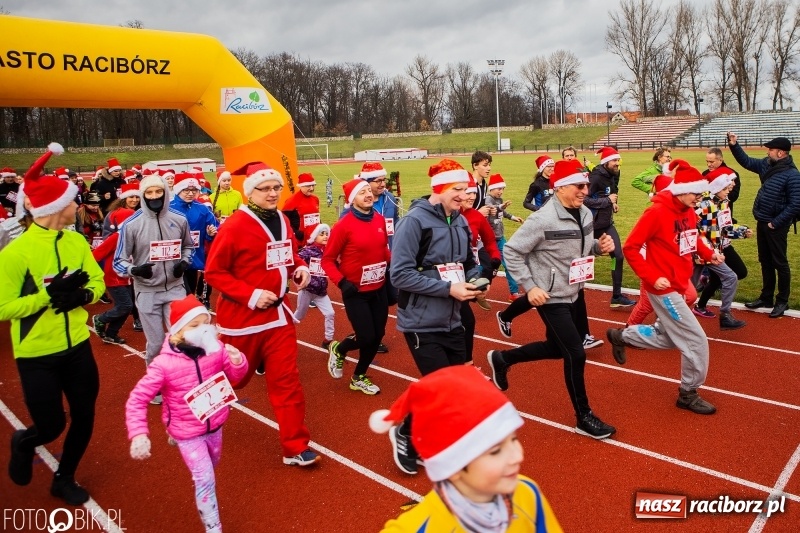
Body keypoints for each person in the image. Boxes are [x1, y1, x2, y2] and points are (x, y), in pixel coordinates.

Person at [0, 143, 105, 505]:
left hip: (77, 346)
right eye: (73, 201)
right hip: (36, 353)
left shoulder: (75, 240)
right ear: (55, 207)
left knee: (84, 414)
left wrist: (83, 296)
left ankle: (64, 477)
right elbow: (3, 308)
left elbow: (97, 281)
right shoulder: (15, 253)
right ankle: (24, 441)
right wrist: (48, 295)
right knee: (51, 426)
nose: (78, 205)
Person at [487, 159, 617, 440]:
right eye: (579, 186)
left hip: (574, 291)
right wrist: (530, 286)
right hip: (550, 296)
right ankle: (583, 417)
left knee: (557, 348)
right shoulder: (542, 220)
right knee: (575, 353)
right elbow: (512, 251)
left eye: (586, 185)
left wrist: (598, 247)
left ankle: (503, 358)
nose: (585, 191)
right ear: (560, 188)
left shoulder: (585, 213)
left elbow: (581, 247)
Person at [204, 161, 319, 467]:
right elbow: (214, 272)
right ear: (249, 192)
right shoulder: (234, 226)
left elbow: (289, 254)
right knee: (231, 381)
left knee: (287, 382)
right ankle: (189, 417)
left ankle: (295, 446)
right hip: (241, 321)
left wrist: (300, 268)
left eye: (276, 188)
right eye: (265, 188)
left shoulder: (281, 218)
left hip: (278, 318)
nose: (272, 193)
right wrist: (251, 295)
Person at [371, 366, 563, 533]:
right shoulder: (417, 528)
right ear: (452, 466)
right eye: (495, 451)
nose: (518, 456)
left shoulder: (527, 492)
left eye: (514, 439)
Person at [607, 160, 726, 415]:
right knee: (696, 340)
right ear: (681, 190)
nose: (699, 199)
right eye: (696, 194)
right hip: (662, 288)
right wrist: (652, 277)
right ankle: (688, 393)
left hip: (681, 282)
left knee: (670, 338)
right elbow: (630, 248)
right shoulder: (656, 213)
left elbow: (692, 238)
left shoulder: (688, 211)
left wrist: (710, 254)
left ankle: (622, 336)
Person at [389, 159, 483, 474]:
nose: (464, 196)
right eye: (457, 189)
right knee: (441, 389)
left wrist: (476, 280)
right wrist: (448, 289)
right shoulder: (414, 222)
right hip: (421, 321)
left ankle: (416, 434)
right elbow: (399, 275)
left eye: (466, 190)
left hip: (454, 318)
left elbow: (468, 262)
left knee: (453, 389)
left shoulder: (460, 220)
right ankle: (407, 434)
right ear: (439, 188)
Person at [126, 295, 248, 533]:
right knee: (205, 478)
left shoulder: (216, 350)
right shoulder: (163, 365)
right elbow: (137, 399)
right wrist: (138, 433)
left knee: (213, 463)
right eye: (194, 325)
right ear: (178, 331)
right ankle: (213, 527)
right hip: (188, 431)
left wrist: (238, 360)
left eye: (206, 323)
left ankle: (176, 434)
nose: (203, 330)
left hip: (215, 422)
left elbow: (235, 377)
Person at [113, 171, 194, 405]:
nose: (155, 196)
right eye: (149, 192)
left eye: (159, 191)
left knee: (181, 339)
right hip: (147, 291)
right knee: (156, 343)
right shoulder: (131, 224)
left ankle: (182, 382)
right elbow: (118, 261)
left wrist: (184, 263)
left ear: (166, 193)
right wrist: (135, 270)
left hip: (175, 289)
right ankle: (156, 384)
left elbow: (189, 246)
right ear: (143, 195)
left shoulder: (179, 219)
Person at [322, 178, 391, 395]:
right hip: (356, 291)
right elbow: (327, 260)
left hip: (379, 288)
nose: (369, 195)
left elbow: (383, 249)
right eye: (362, 192)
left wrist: (395, 265)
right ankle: (339, 348)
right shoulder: (343, 226)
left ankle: (359, 376)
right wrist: (342, 283)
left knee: (377, 335)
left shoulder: (379, 219)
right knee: (366, 336)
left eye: (369, 190)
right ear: (352, 199)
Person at [728, 133, 800, 318]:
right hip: (762, 221)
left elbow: (796, 204)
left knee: (780, 263)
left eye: (771, 149)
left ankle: (782, 301)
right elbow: (746, 161)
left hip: (776, 225)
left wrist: (775, 223)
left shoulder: (792, 175)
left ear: (781, 153)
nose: (768, 152)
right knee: (765, 261)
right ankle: (766, 297)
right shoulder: (766, 164)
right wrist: (734, 145)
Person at [691, 167, 748, 330]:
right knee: (730, 277)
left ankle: (673, 318)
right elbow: (691, 227)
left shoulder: (724, 203)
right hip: (702, 252)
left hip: (713, 251)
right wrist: (706, 249)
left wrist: (742, 232)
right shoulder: (703, 204)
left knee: (689, 289)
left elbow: (724, 229)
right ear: (716, 188)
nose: (728, 191)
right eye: (725, 188)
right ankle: (724, 315)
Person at [585, 146, 636, 308]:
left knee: (618, 257)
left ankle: (616, 296)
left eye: (618, 160)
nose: (617, 163)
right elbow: (583, 200)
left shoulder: (613, 174)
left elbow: (612, 193)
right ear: (605, 162)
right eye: (614, 160)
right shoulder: (595, 177)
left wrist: (613, 203)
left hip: (606, 225)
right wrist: (607, 201)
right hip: (590, 227)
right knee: (578, 260)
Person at [170, 172, 219, 307]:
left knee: (190, 292)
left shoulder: (202, 209)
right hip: (172, 259)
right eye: (186, 190)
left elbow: (215, 227)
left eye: (194, 190)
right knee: (182, 294)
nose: (190, 194)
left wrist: (211, 233)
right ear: (178, 190)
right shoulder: (167, 208)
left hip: (193, 258)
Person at [92, 208, 137, 344]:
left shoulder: (134, 235)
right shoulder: (116, 237)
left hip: (127, 276)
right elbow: (96, 254)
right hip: (114, 276)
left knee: (127, 306)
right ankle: (101, 318)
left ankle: (111, 333)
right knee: (126, 305)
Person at [461, 175, 501, 313]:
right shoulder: (448, 215)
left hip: (469, 266)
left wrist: (495, 256)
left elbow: (490, 240)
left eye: (474, 193)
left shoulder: (476, 216)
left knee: (464, 318)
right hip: (448, 271)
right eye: (468, 193)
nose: (472, 197)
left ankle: (480, 293)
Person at [295, 224, 336, 349]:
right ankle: (283, 332)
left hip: (321, 292)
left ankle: (328, 340)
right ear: (314, 236)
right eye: (321, 234)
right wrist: (301, 275)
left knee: (330, 313)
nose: (325, 236)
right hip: (307, 290)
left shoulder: (328, 252)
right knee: (299, 316)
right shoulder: (308, 251)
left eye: (327, 234)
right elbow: (296, 261)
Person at [485, 174, 524, 300]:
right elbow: (492, 208)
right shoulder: (488, 199)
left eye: (502, 189)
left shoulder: (499, 200)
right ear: (491, 188)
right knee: (484, 266)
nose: (501, 191)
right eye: (499, 189)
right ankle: (476, 288)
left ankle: (514, 293)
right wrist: (501, 206)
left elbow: (502, 212)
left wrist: (513, 217)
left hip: (500, 238)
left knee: (509, 263)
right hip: (488, 241)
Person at [704, 147, 741, 222]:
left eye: (711, 162)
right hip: (707, 216)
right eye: (707, 161)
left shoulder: (732, 174)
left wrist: (715, 197)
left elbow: (734, 196)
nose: (708, 164)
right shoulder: (705, 173)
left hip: (724, 217)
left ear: (720, 160)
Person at [283, 172, 321, 244]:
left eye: (313, 186)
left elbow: (317, 216)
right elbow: (284, 221)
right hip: (299, 241)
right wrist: (297, 233)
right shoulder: (291, 201)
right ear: (301, 186)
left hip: (315, 238)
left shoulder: (315, 199)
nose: (311, 188)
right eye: (308, 186)